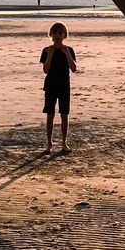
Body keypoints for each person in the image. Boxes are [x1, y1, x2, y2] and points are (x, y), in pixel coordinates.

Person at [39, 21, 78, 154]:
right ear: (51, 34)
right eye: (55, 33)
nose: (57, 35)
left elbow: (73, 68)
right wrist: (50, 55)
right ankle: (49, 143)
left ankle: (64, 142)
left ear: (64, 35)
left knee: (64, 114)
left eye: (60, 33)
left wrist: (66, 53)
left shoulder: (69, 50)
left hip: (64, 85)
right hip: (50, 84)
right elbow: (45, 70)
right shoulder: (46, 50)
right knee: (50, 114)